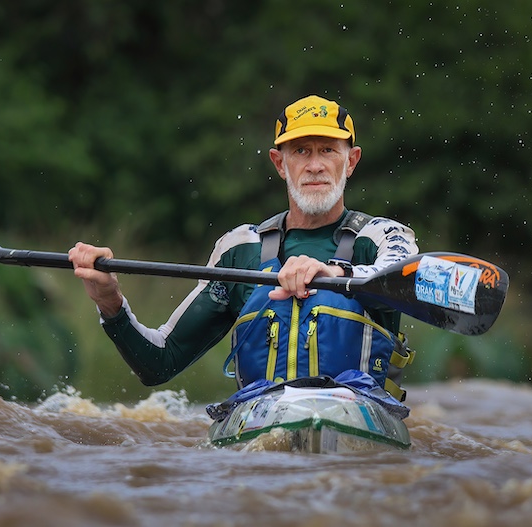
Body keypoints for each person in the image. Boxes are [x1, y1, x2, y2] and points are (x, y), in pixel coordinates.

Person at [68, 95, 419, 407]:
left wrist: (335, 273)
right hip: (262, 422)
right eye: (301, 151)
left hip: (360, 414)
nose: (315, 165)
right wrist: (109, 301)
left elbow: (404, 278)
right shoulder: (241, 249)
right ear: (280, 163)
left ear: (351, 160)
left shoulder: (383, 236)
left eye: (328, 150)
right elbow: (159, 363)